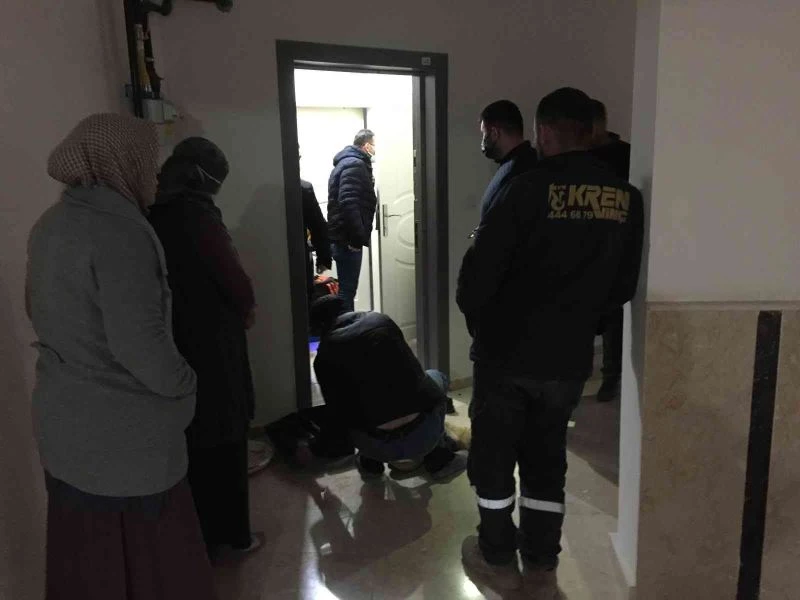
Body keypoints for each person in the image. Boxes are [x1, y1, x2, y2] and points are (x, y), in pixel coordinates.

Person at [457, 88, 644, 592]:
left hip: (506, 355)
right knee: (546, 458)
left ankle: (497, 553)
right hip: (567, 359)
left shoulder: (524, 190)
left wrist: (483, 327)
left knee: (494, 459)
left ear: (543, 132)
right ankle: (541, 559)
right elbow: (622, 289)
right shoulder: (626, 199)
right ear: (592, 131)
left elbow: (474, 284)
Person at [26, 114, 216, 600]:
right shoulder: (120, 232)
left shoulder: (52, 223)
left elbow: (41, 315)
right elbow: (142, 347)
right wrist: (187, 386)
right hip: (123, 444)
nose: (153, 173)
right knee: (153, 569)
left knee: (87, 564)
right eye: (147, 160)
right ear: (121, 161)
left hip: (64, 425)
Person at [148, 137, 261, 559]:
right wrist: (246, 307)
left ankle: (202, 537)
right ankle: (234, 538)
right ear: (200, 176)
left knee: (196, 437)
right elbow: (232, 278)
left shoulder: (153, 210)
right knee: (226, 434)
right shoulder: (196, 215)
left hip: (177, 336)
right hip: (213, 340)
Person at [310, 295, 468, 481]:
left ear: (320, 327)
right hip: (425, 436)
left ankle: (370, 465)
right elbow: (419, 378)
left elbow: (336, 415)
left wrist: (317, 448)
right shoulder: (381, 322)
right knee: (436, 377)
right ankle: (440, 459)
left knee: (358, 404)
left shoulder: (324, 357)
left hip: (374, 446)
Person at [589, 98, 632, 403]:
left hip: (614, 249)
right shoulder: (582, 156)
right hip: (586, 249)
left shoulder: (626, 155)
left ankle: (611, 377)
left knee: (613, 319)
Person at [327, 129, 378, 311]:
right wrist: (356, 239)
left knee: (346, 290)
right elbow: (348, 202)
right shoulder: (355, 165)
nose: (375, 149)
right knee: (347, 292)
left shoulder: (347, 163)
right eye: (374, 145)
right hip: (347, 240)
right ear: (366, 145)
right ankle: (345, 326)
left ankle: (344, 325)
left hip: (343, 238)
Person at [478, 100, 539, 219]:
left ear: (494, 133)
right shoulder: (520, 164)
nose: (483, 141)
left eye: (484, 134)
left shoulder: (516, 171)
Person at [302, 177, 332, 298]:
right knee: (304, 298)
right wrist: (323, 259)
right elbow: (318, 226)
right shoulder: (303, 187)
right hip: (298, 257)